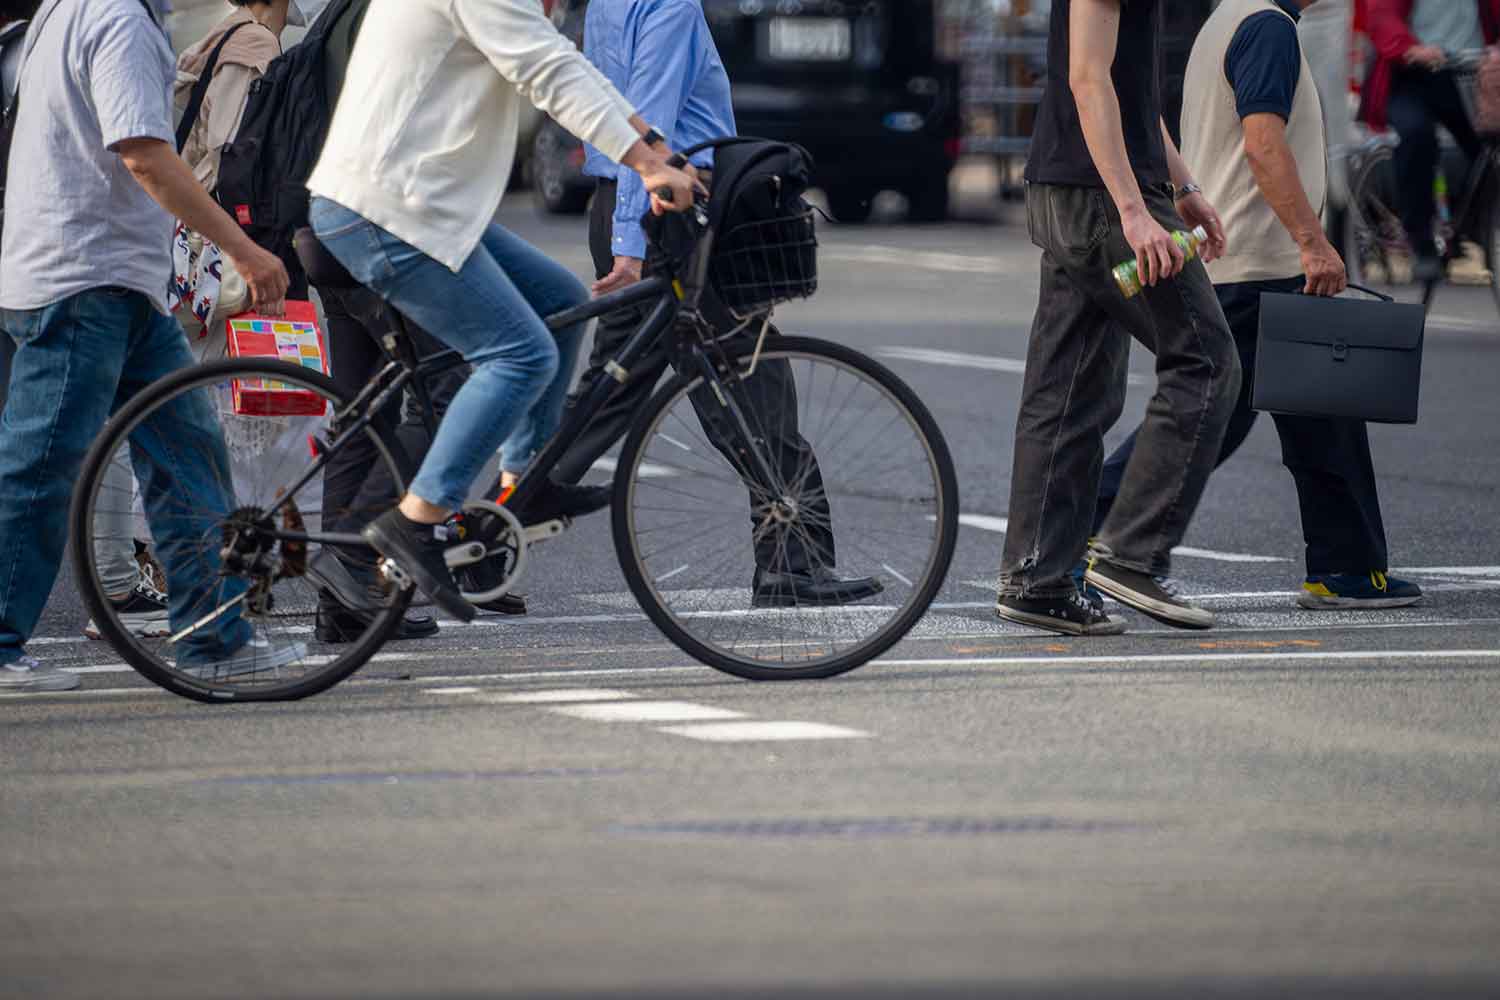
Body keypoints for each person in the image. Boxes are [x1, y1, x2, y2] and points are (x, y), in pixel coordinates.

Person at [306, 0, 700, 622]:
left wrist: (652, 146)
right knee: (519, 354)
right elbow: (546, 69)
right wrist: (647, 163)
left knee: (559, 302)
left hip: (426, 205)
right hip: (386, 210)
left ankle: (521, 491)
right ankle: (417, 522)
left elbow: (568, 66)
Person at [530, 0, 882, 608]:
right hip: (669, 218)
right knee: (754, 383)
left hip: (623, 208)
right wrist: (633, 243)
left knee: (608, 393)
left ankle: (490, 531)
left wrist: (624, 233)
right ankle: (792, 565)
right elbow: (651, 119)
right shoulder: (668, 3)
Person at [0, 0, 294, 694]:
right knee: (41, 467)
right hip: (84, 279)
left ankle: (213, 637)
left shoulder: (67, 9)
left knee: (189, 448)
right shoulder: (120, 18)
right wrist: (244, 251)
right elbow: (143, 154)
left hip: (117, 279)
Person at [1092, 0, 1423, 612]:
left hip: (1243, 260)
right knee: (1209, 420)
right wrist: (1313, 242)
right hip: (1259, 264)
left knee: (1325, 420)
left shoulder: (1227, 20)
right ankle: (1094, 521)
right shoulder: (1267, 26)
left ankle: (1347, 569)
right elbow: (1263, 145)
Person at [994, 0, 1241, 637]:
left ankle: (1037, 581)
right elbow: (1087, 77)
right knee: (1206, 361)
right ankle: (1131, 553)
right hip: (1104, 200)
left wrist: (1183, 189)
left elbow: (1130, 92)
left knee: (1068, 391)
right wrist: (1135, 210)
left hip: (1070, 191)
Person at [1358, 0, 1500, 282]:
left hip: (1470, 75)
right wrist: (1409, 48)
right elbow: (1381, 15)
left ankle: (1477, 225)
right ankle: (1421, 243)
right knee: (1417, 136)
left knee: (1487, 148)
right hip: (1412, 74)